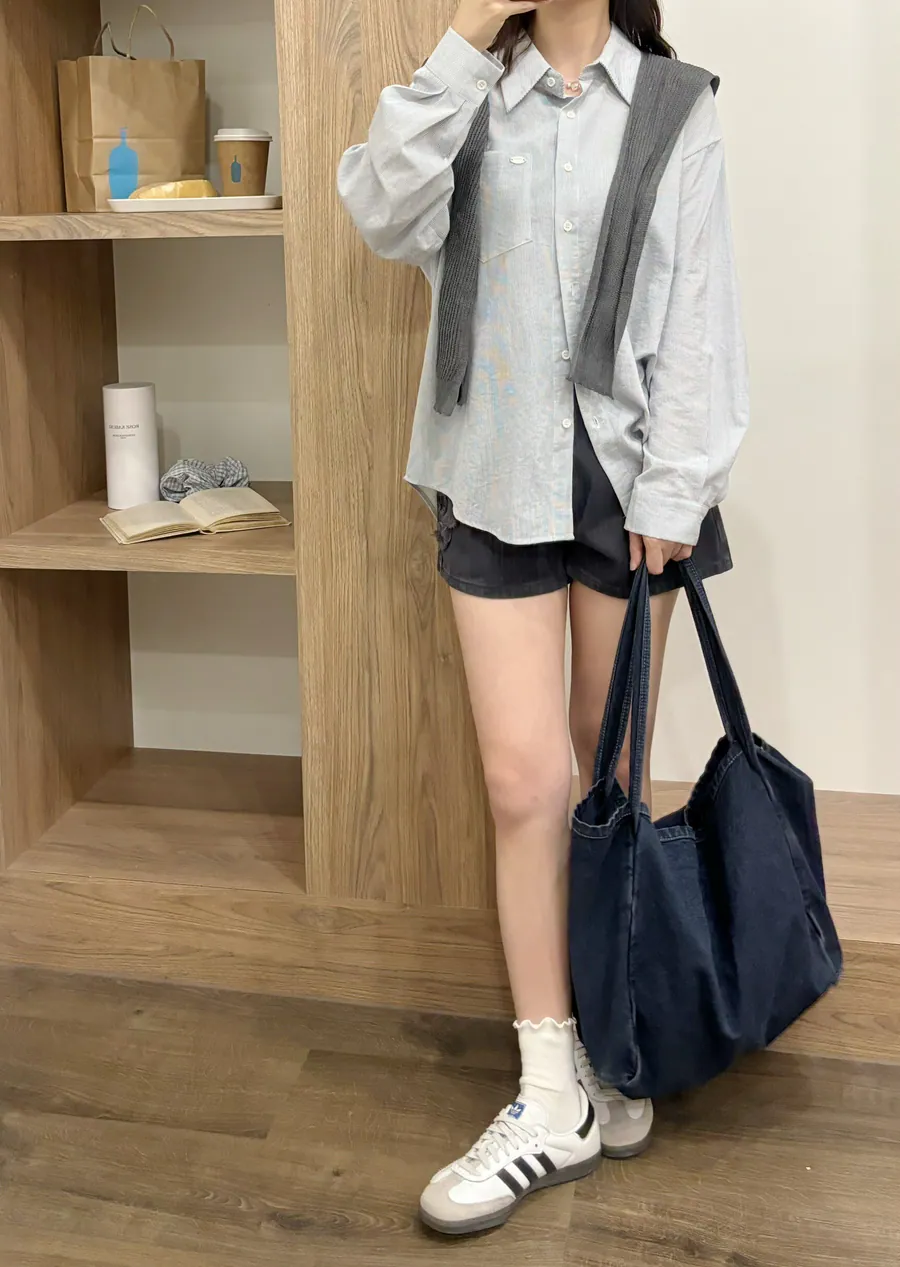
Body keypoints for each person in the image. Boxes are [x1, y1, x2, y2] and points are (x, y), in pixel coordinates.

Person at [338, 0, 749, 1237]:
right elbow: (381, 212)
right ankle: (548, 1085)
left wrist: (674, 491)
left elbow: (699, 315)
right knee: (524, 783)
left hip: (628, 491)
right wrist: (467, 35)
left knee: (609, 780)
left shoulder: (675, 106)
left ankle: (612, 1044)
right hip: (493, 470)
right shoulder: (467, 96)